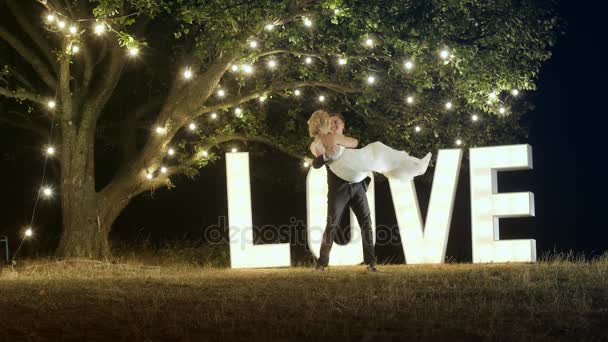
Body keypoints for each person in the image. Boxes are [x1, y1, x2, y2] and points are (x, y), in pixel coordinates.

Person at [308, 110, 431, 272]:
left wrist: (339, 142)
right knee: (332, 223)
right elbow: (316, 163)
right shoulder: (322, 142)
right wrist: (326, 155)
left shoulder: (341, 140)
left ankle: (371, 263)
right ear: (325, 125)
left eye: (336, 121)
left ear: (342, 125)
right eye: (330, 122)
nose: (333, 124)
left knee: (366, 222)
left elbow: (355, 143)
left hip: (358, 185)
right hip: (339, 188)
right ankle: (321, 264)